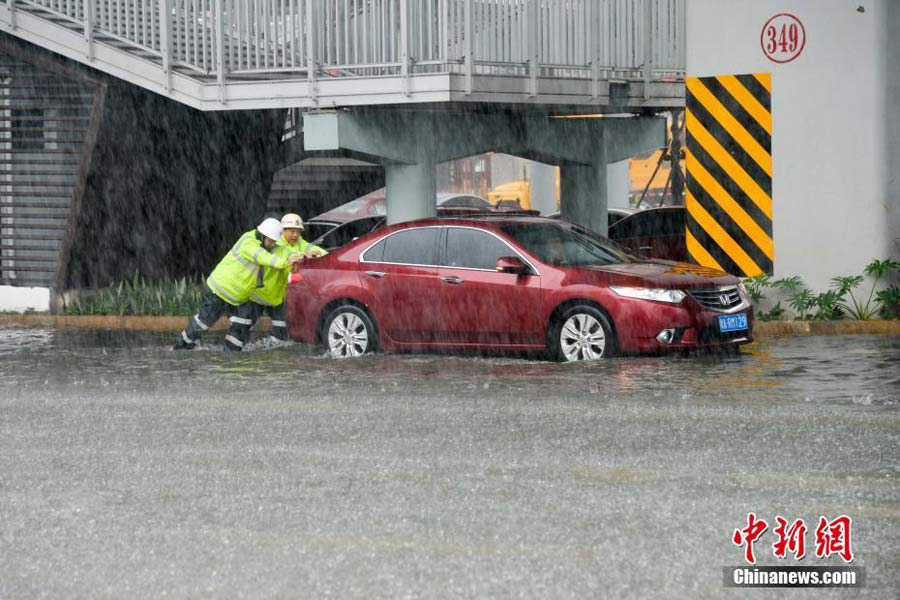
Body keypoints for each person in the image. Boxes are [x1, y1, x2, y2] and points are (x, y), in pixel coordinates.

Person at [174, 218, 301, 351]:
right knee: (202, 323)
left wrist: (297, 257)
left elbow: (284, 251)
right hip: (220, 291)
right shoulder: (249, 242)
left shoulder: (265, 244)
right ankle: (180, 348)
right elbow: (263, 257)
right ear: (263, 236)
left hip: (239, 297)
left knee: (242, 324)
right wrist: (286, 263)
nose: (273, 244)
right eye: (271, 241)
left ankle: (231, 354)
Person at [227, 213, 327, 345]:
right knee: (242, 328)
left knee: (281, 332)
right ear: (282, 231)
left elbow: (314, 249)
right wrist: (302, 255)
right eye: (291, 231)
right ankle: (232, 353)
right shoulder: (275, 243)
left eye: (298, 232)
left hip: (277, 297)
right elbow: (286, 254)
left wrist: (322, 254)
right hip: (258, 294)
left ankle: (269, 353)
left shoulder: (299, 243)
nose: (295, 235)